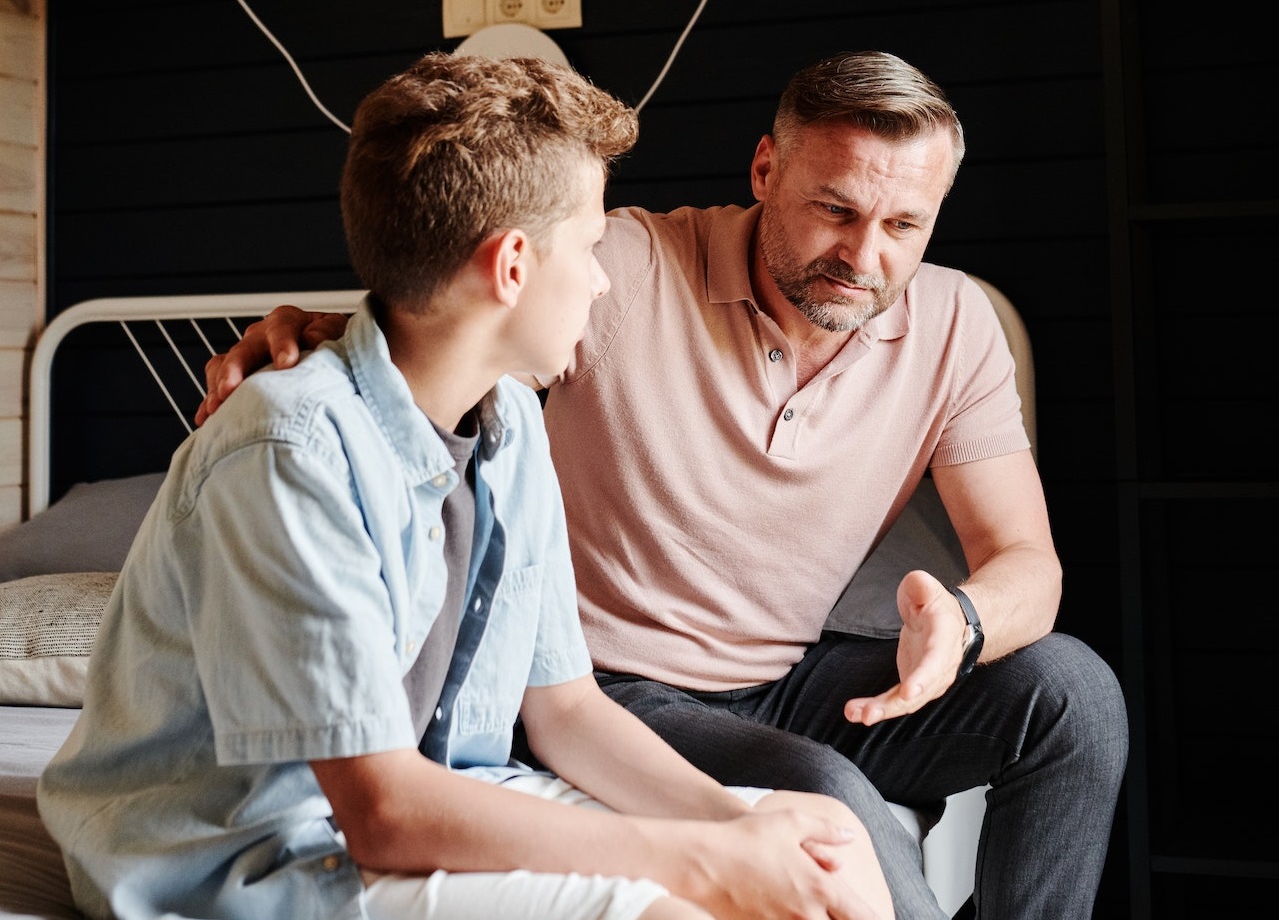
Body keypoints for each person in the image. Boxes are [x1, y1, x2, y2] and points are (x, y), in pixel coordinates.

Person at [196, 50, 1129, 919]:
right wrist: (328, 331)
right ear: (765, 170)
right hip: (610, 688)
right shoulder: (621, 267)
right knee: (829, 796)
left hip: (786, 673)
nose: (864, 256)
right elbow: (465, 314)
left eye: (902, 226)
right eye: (835, 211)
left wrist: (964, 625)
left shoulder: (956, 323)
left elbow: (1026, 564)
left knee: (1072, 695)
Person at [37, 52, 897, 920]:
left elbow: (564, 712)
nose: (601, 279)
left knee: (823, 833)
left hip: (453, 795)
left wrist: (740, 828)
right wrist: (707, 861)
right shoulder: (288, 451)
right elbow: (380, 811)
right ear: (512, 266)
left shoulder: (512, 422)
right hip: (262, 851)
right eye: (593, 247)